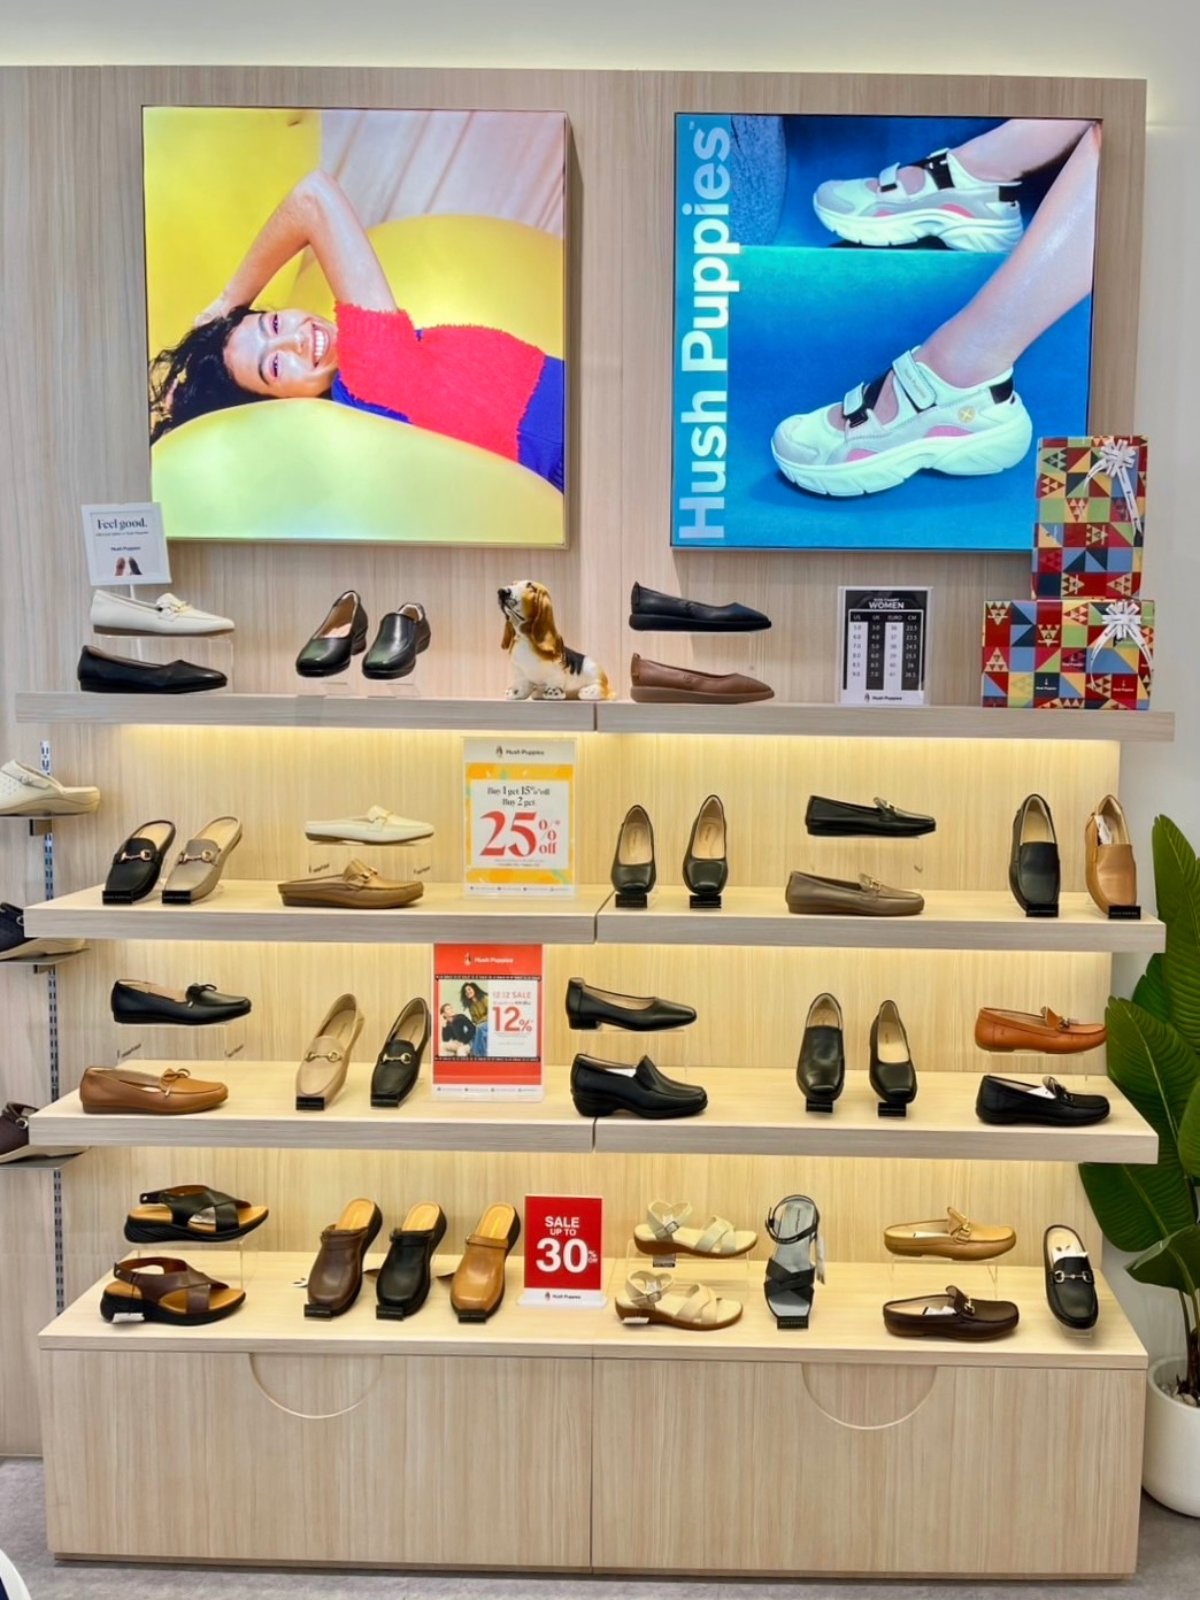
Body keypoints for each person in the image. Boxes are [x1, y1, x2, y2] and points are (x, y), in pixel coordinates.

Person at [149, 170, 564, 489]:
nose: (295, 338)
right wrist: (228, 302)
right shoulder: (370, 380)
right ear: (278, 405)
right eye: (274, 366)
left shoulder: (366, 405)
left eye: (273, 322)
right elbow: (312, 198)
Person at [772, 120, 1099, 498]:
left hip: (1111, 460)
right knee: (1132, 109)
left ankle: (964, 366)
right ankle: (977, 175)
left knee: (1139, 130)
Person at [461, 981, 489, 1060]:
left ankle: (477, 1054)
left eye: (469, 989)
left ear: (474, 989)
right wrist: (474, 1025)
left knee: (479, 1028)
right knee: (468, 1030)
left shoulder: (484, 998)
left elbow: (491, 1014)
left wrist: (479, 1022)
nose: (467, 992)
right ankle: (468, 1050)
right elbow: (474, 1020)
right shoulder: (471, 1006)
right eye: (465, 991)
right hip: (480, 1024)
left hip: (490, 1022)